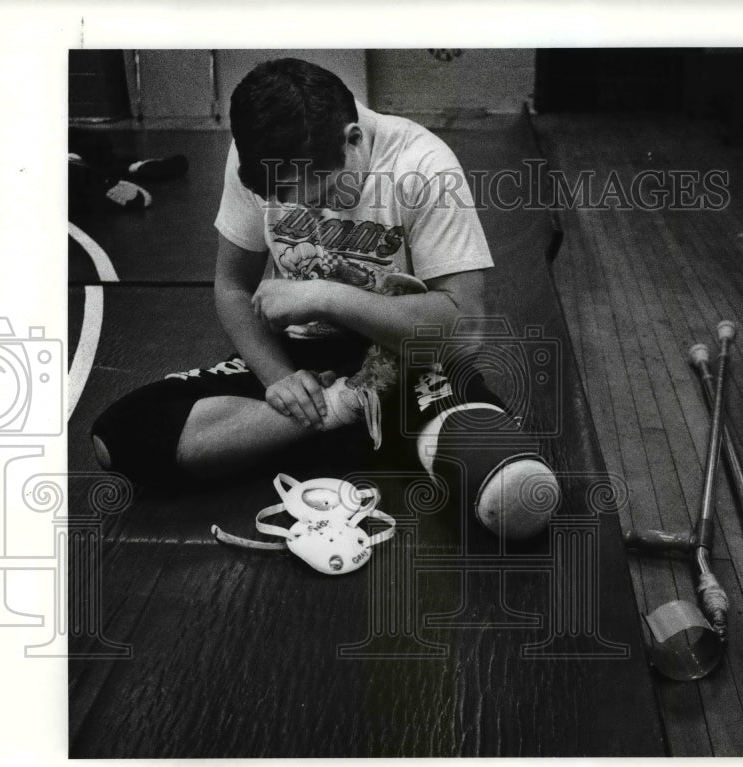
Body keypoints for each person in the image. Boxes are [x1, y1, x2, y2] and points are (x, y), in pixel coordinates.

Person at [91, 58, 495, 486]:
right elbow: (232, 285)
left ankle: (315, 430)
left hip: (399, 356)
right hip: (306, 359)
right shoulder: (259, 156)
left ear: (353, 140)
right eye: (292, 200)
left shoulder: (423, 165)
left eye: (321, 193)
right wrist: (281, 380)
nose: (313, 212)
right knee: (117, 437)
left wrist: (325, 296)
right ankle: (353, 411)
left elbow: (466, 326)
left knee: (511, 491)